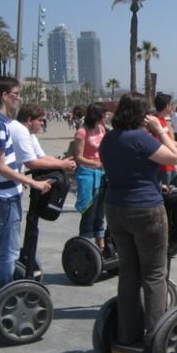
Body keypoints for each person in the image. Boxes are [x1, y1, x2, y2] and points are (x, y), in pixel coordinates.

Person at [99, 92, 177, 346]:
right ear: (141, 115)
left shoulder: (109, 139)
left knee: (129, 273)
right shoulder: (140, 138)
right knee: (155, 274)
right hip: (145, 210)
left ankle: (127, 334)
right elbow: (173, 158)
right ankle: (156, 335)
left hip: (115, 208)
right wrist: (160, 130)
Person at [0, 76, 51, 296]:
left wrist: (19, 179)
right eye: (16, 94)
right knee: (7, 252)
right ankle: (3, 297)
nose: (19, 99)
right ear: (5, 96)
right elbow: (1, 166)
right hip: (4, 197)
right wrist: (31, 181)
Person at [73, 103, 107, 252]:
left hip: (102, 173)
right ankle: (86, 244)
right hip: (87, 173)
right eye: (104, 116)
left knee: (101, 211)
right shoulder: (82, 132)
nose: (106, 118)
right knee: (89, 211)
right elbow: (78, 157)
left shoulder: (102, 129)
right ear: (97, 116)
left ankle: (101, 244)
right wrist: (95, 163)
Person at [9, 103, 77, 174]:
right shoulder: (20, 131)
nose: (42, 123)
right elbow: (30, 163)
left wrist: (63, 162)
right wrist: (61, 165)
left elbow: (41, 156)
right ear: (29, 120)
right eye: (40, 120)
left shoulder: (31, 134)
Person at [154, 93, 177, 188]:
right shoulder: (156, 122)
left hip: (170, 166)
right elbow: (162, 143)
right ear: (167, 106)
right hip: (163, 168)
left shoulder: (162, 120)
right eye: (171, 104)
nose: (172, 107)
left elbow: (169, 141)